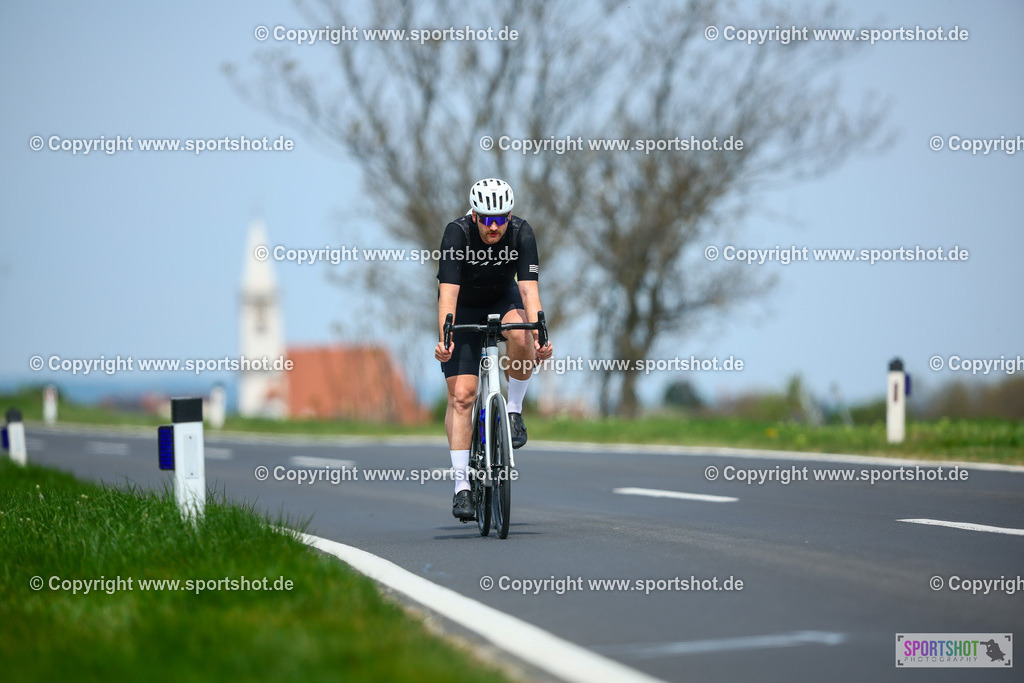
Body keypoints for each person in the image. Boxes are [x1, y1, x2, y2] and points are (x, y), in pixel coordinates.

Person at [434, 178, 553, 520]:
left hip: (504, 299)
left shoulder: (521, 233)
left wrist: (541, 336)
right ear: (474, 216)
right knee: (463, 396)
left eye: (500, 218)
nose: (494, 226)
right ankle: (462, 488)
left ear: (510, 215)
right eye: (486, 218)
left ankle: (513, 409)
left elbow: (529, 293)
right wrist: (446, 338)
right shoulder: (457, 234)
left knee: (520, 335)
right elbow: (448, 294)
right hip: (465, 306)